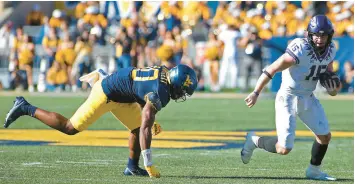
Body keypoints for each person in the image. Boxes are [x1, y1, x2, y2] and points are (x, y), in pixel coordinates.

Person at [4, 64, 198, 178]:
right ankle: (25, 107)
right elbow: (147, 124)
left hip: (122, 93)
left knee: (138, 127)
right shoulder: (161, 92)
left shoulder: (163, 73)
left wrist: (146, 120)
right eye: (182, 90)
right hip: (106, 93)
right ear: (176, 83)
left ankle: (131, 166)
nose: (181, 95)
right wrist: (149, 162)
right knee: (70, 128)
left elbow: (139, 92)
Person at [242, 15, 338, 181]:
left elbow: (329, 73)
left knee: (324, 136)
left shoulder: (331, 50)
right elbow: (271, 69)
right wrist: (256, 92)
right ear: (309, 34)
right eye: (316, 35)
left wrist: (333, 87)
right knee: (284, 148)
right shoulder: (299, 49)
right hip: (288, 97)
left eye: (324, 35)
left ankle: (314, 170)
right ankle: (253, 140)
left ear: (329, 36)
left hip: (308, 96)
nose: (320, 39)